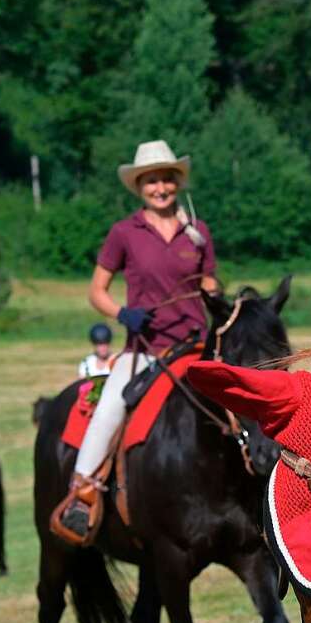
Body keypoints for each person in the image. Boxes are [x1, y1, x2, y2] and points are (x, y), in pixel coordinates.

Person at [56, 140, 218, 543]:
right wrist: (122, 314)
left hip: (195, 347)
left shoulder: (197, 231)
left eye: (166, 179)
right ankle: (83, 495)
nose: (160, 187)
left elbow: (210, 281)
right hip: (146, 350)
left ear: (176, 182)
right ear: (139, 186)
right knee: (110, 406)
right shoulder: (124, 232)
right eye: (151, 181)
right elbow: (97, 290)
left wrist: (215, 298)